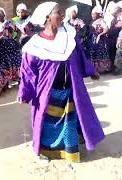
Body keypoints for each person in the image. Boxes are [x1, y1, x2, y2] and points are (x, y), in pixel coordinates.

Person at [17, 2, 105, 163]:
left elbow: (80, 56)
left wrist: (91, 71)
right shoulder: (35, 45)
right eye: (58, 12)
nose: (63, 15)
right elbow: (28, 73)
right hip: (47, 94)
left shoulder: (69, 36)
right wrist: (24, 92)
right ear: (47, 18)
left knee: (70, 123)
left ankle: (70, 150)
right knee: (48, 125)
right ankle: (46, 151)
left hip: (71, 90)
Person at [0, 7, 22, 85]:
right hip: (0, 48)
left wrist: (16, 40)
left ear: (4, 15)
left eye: (1, 13)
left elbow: (18, 30)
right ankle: (6, 82)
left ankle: (18, 78)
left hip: (10, 46)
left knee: (13, 62)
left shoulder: (8, 23)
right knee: (4, 64)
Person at [86, 5, 111, 73]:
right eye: (92, 14)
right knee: (92, 53)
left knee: (99, 54)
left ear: (98, 14)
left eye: (94, 14)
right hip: (92, 40)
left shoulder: (101, 21)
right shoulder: (93, 21)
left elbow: (106, 29)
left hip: (99, 41)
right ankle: (94, 69)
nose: (92, 16)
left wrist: (100, 35)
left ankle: (101, 69)